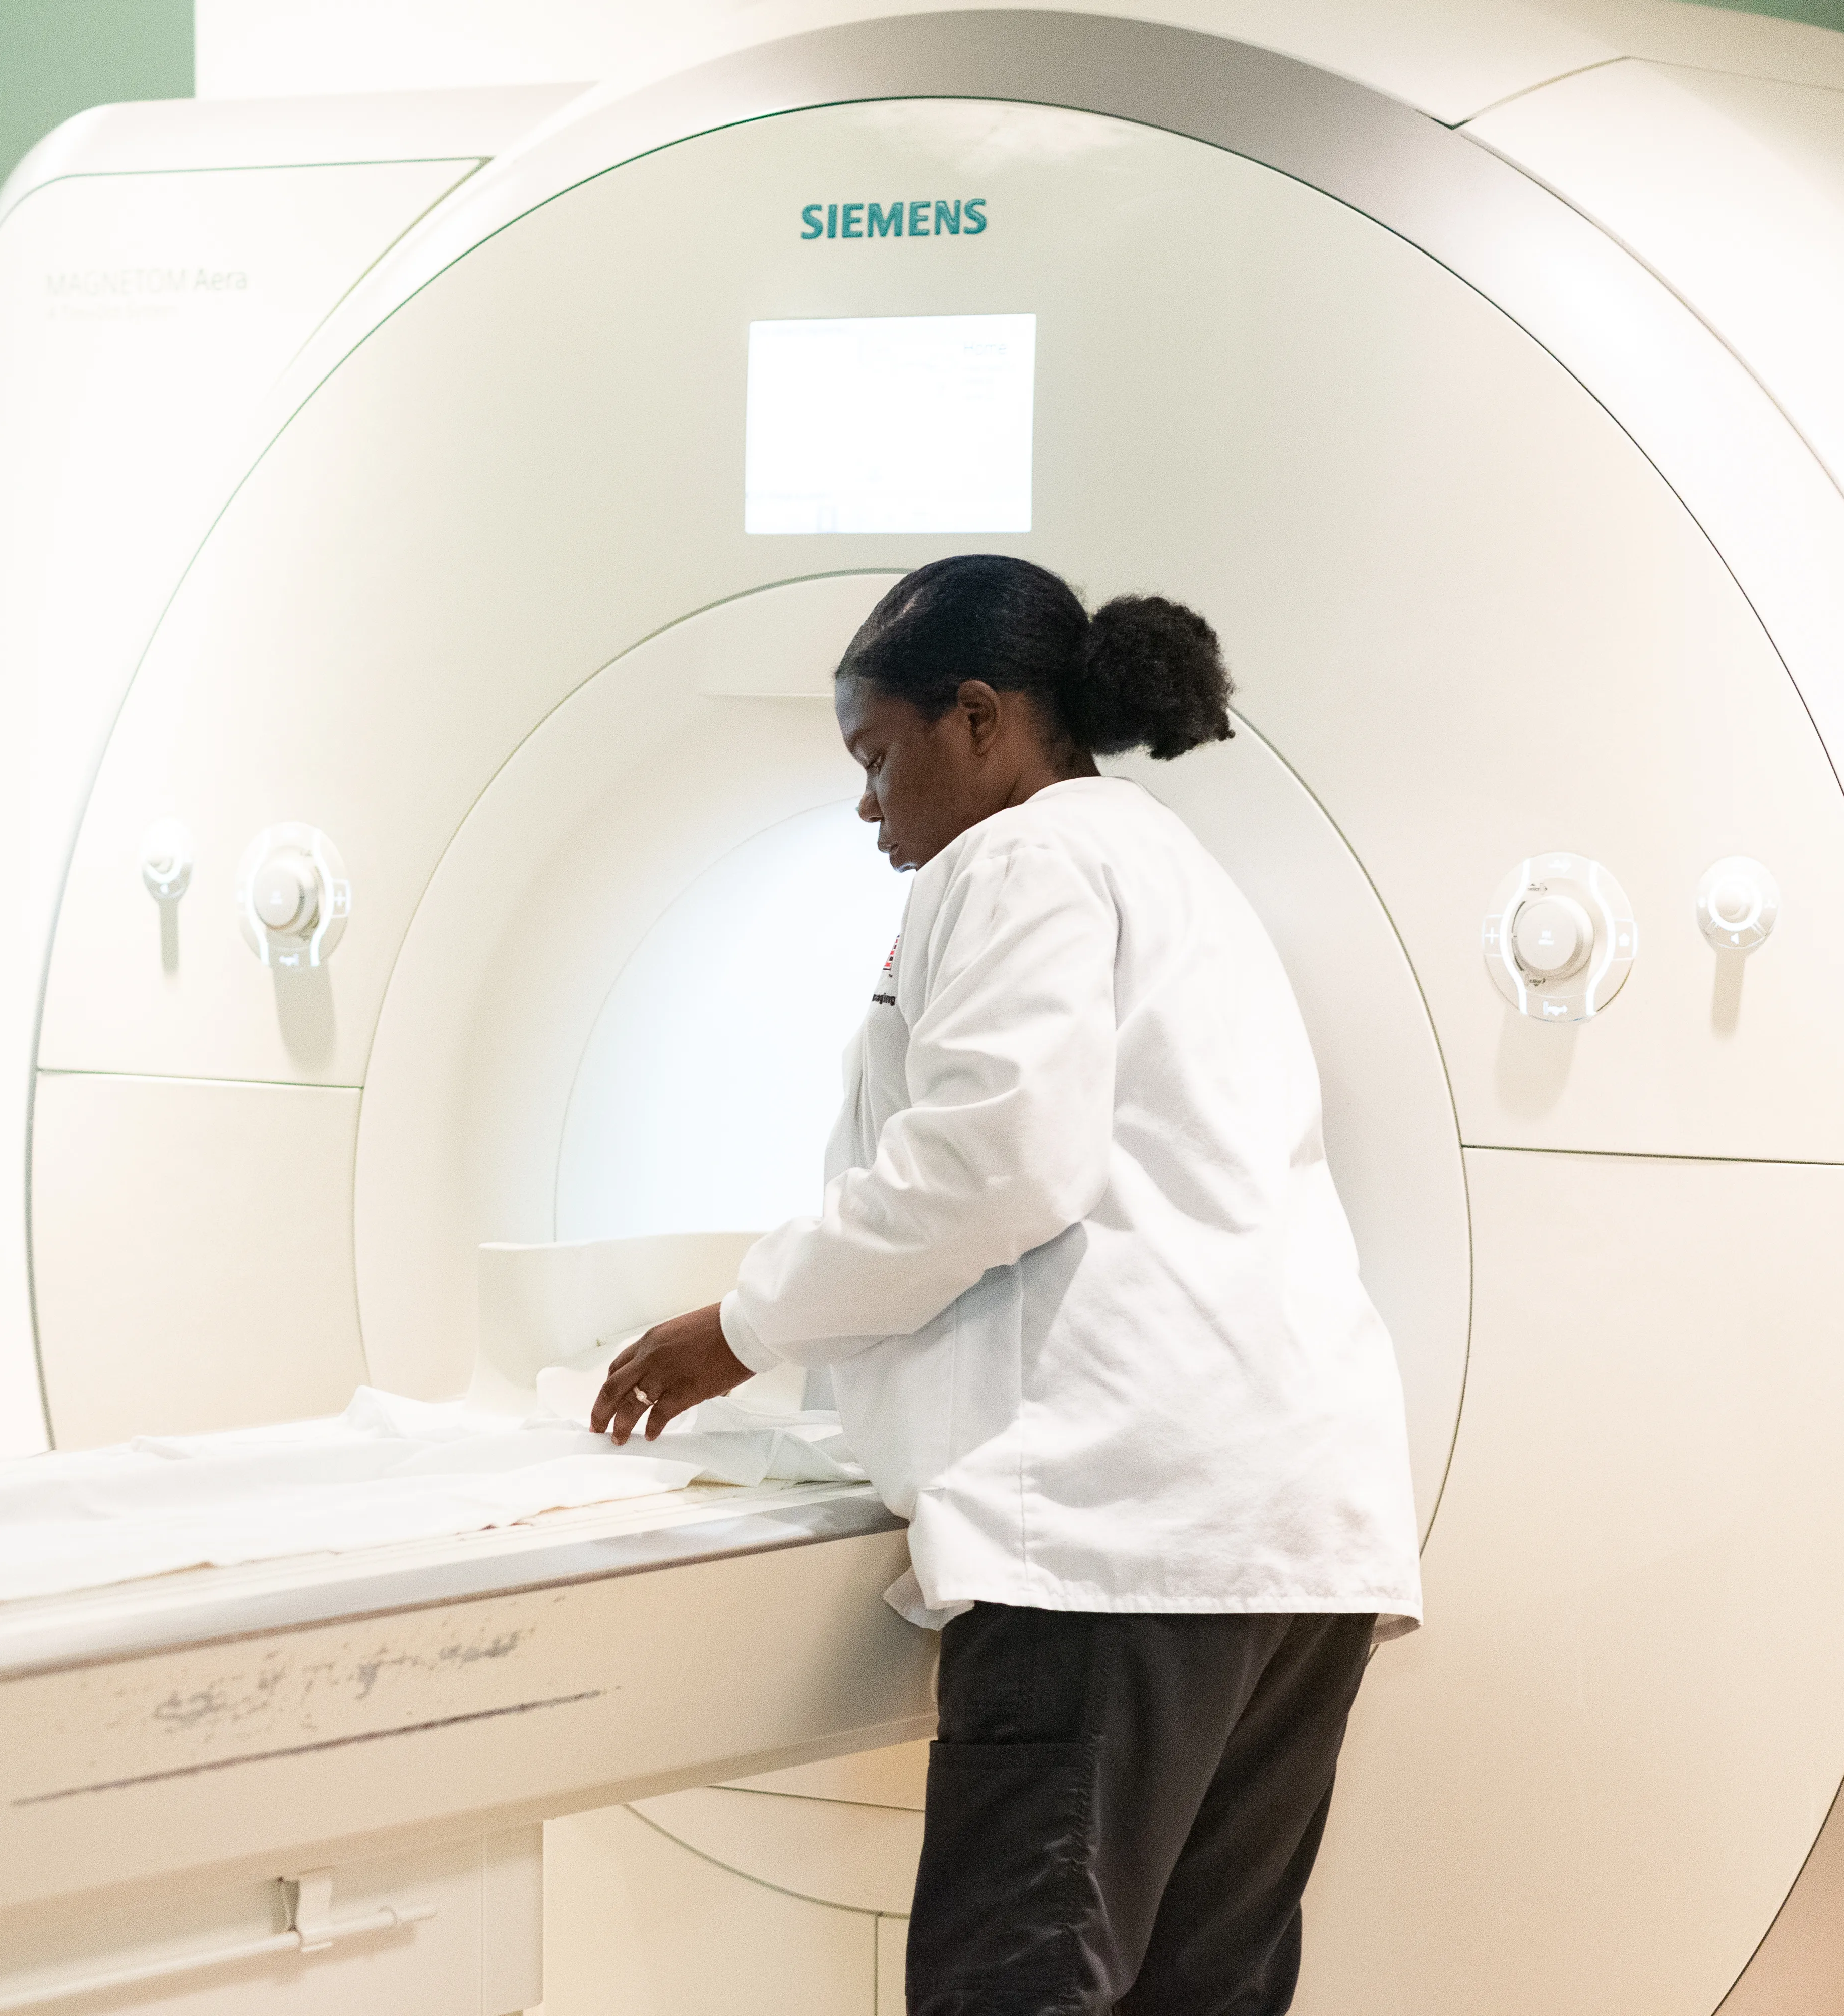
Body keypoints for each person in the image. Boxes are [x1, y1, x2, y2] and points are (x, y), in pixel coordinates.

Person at [592, 553, 1421, 2016]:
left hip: (1118, 1543)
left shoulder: (1019, 860)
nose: (867, 810)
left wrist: (739, 1329)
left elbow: (995, 1160)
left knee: (1016, 1987)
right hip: (1297, 1531)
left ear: (974, 719)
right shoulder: (1170, 864)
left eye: (876, 756)